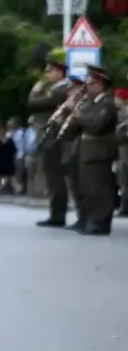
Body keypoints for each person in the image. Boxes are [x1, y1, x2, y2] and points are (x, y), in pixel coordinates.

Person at [27, 55, 76, 228]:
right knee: (52, 177)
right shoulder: (56, 88)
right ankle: (56, 212)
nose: (47, 74)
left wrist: (35, 91)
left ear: (60, 72)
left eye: (50, 70)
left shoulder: (61, 90)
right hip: (49, 136)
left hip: (54, 138)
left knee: (55, 177)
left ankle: (58, 214)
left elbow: (33, 104)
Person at [73, 64, 116, 235]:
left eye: (91, 84)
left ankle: (101, 222)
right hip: (88, 151)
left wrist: (79, 116)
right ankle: (91, 219)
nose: (88, 88)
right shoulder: (92, 103)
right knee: (90, 189)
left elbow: (96, 125)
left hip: (100, 152)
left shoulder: (108, 104)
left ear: (100, 85)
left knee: (101, 190)